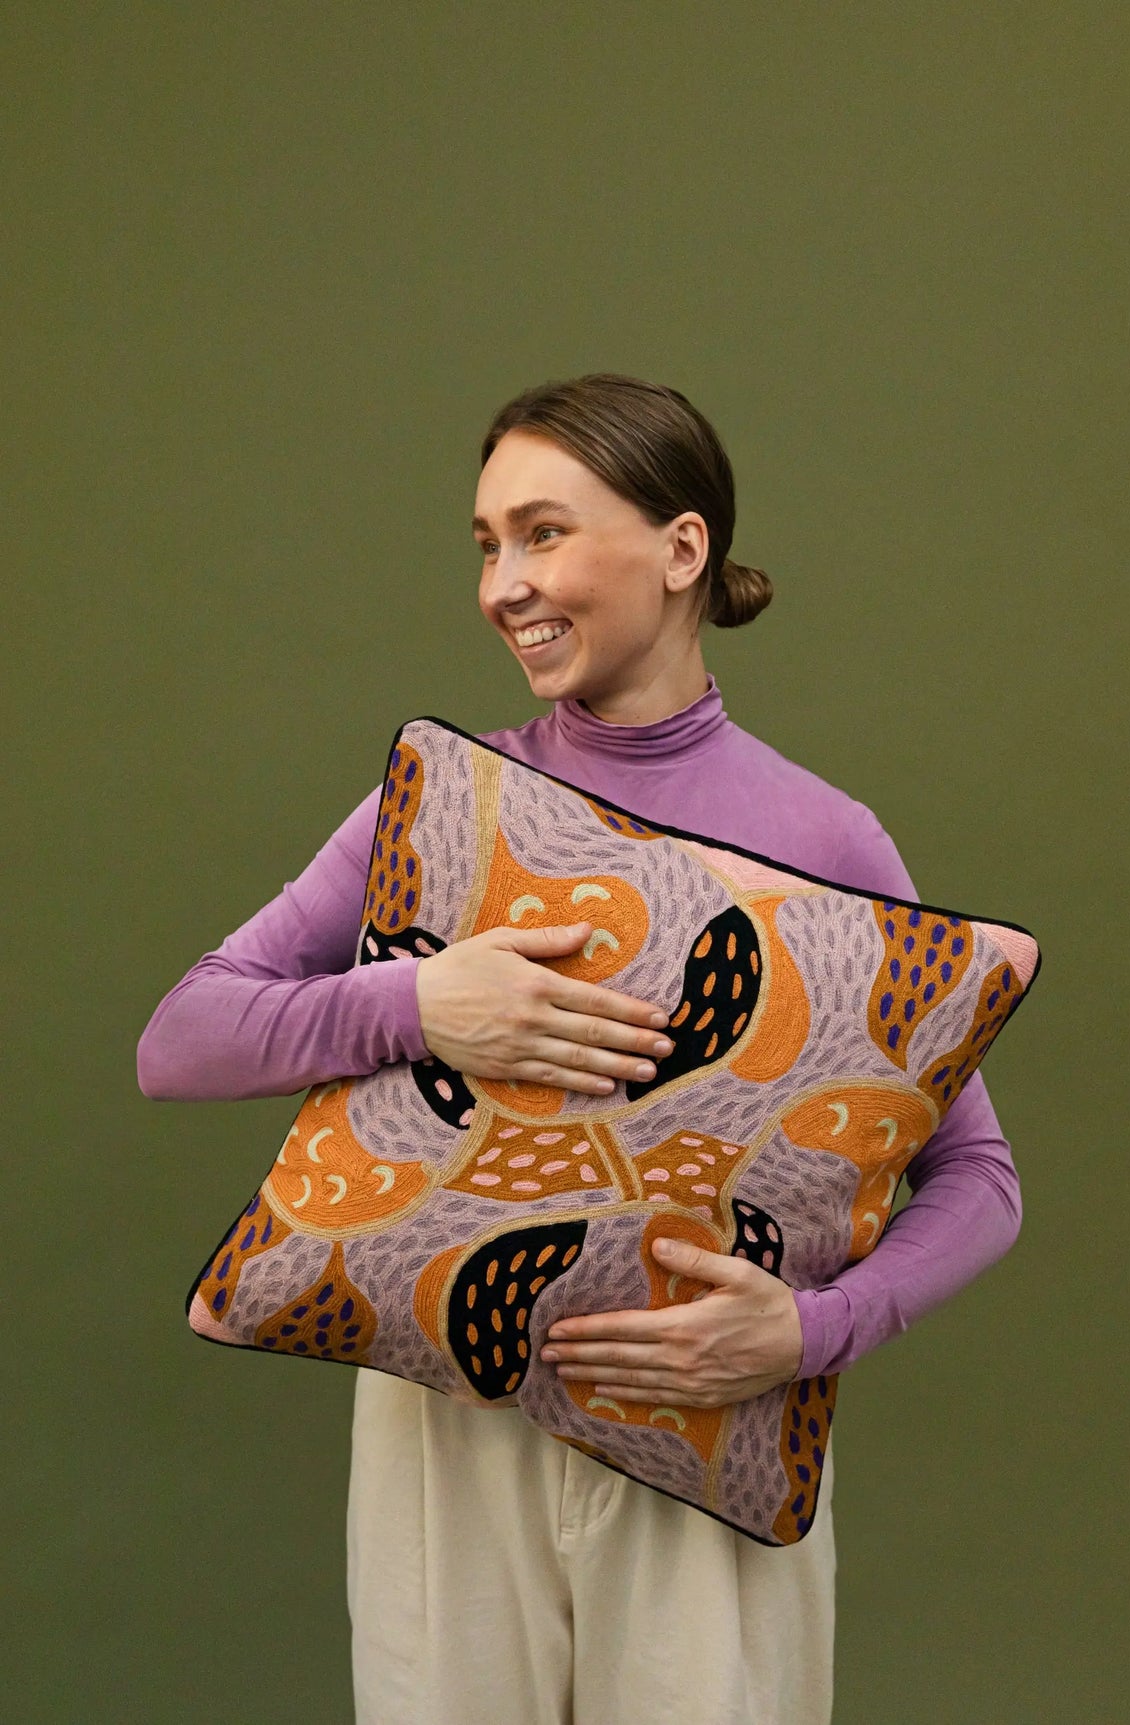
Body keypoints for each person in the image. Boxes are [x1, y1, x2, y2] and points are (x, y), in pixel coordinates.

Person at [137, 373, 1022, 1725]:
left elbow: (978, 1180)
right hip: (447, 1425)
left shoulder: (826, 839)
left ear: (682, 548)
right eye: (487, 543)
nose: (504, 584)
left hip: (707, 1433)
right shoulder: (440, 804)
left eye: (542, 533)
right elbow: (181, 1038)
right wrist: (421, 1005)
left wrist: (807, 1331)